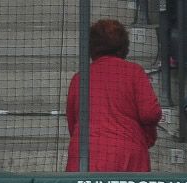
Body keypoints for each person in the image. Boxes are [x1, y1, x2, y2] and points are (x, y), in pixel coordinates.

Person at [65, 18, 162, 172]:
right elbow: (150, 113)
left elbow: (73, 122)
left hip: (84, 156)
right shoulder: (133, 72)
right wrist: (146, 137)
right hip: (125, 154)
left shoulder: (80, 78)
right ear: (123, 46)